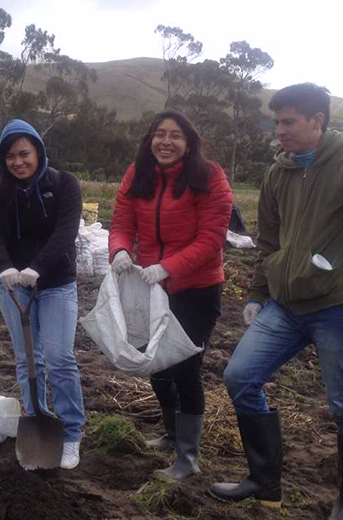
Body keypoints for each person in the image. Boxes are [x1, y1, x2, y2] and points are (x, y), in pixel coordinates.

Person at [210, 84, 343, 519]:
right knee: (240, 376)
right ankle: (265, 482)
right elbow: (270, 242)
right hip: (285, 305)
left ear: (318, 121)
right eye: (276, 122)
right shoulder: (278, 172)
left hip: (341, 305)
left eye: (289, 122)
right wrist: (259, 293)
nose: (279, 131)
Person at [108, 111, 233, 481]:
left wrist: (168, 267)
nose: (166, 142)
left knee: (185, 367)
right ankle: (171, 433)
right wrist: (119, 251)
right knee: (156, 365)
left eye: (175, 135)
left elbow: (211, 240)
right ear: (149, 140)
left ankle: (188, 458)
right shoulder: (138, 173)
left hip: (196, 289)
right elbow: (122, 222)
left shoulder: (210, 178)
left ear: (189, 142)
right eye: (159, 134)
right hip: (150, 286)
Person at [0, 119, 85, 470]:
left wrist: (37, 268)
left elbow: (66, 232)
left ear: (38, 151)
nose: (18, 162)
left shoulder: (65, 184)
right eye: (10, 156)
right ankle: (36, 417)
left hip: (55, 282)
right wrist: (5, 267)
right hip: (13, 286)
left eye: (24, 153)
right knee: (28, 359)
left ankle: (71, 433)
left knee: (59, 357)